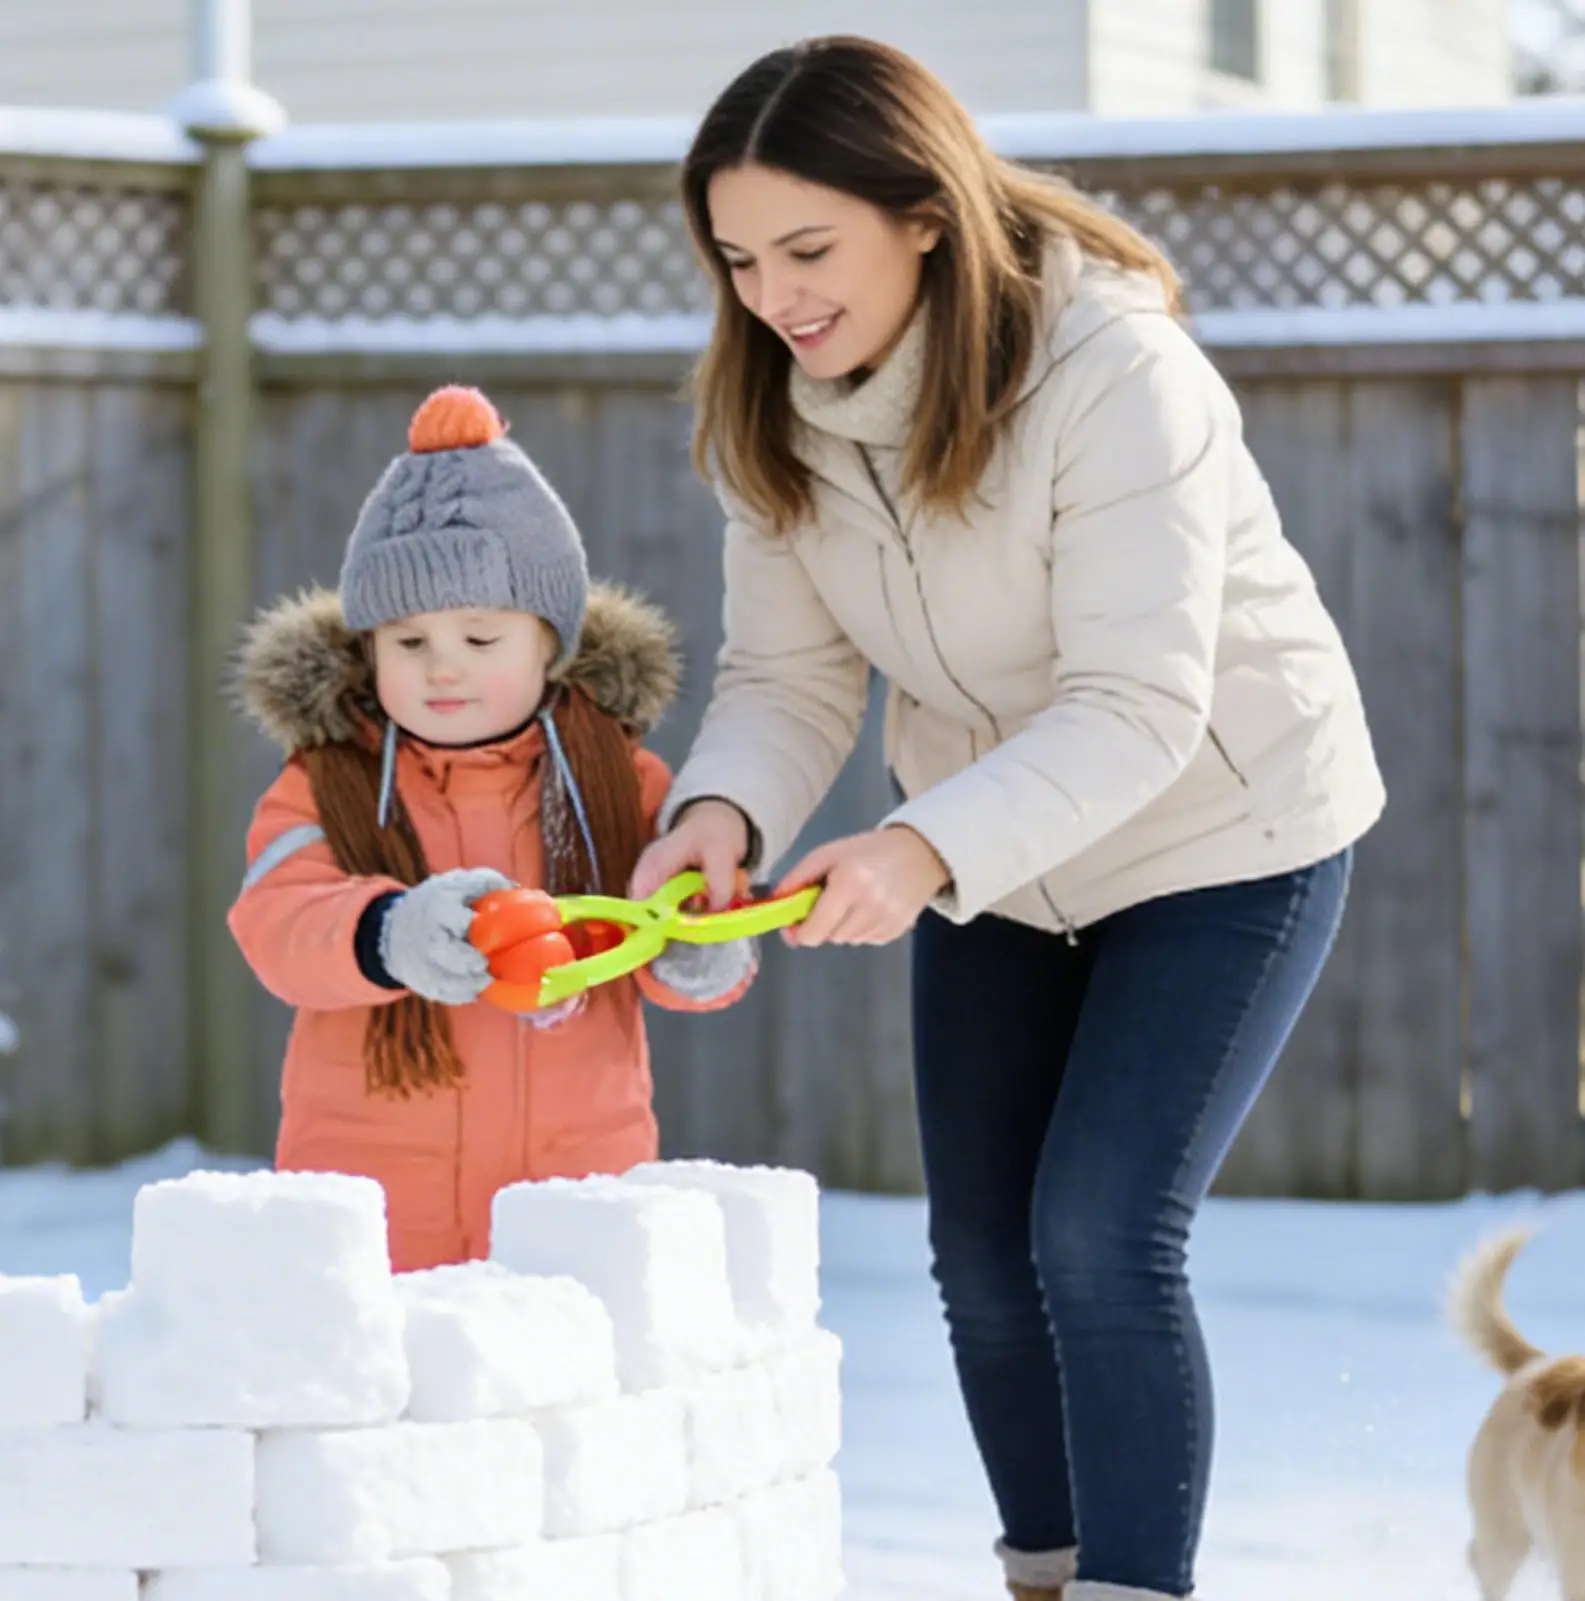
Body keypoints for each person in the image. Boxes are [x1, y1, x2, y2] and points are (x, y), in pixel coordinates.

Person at [630, 35, 1385, 1601]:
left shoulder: (1114, 374)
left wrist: (918, 850)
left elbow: (1136, 706)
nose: (773, 294)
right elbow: (787, 673)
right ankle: (1038, 1577)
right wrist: (720, 810)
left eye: (808, 249)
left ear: (923, 213)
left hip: (1219, 830)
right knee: (980, 1264)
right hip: (991, 845)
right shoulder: (776, 407)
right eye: (740, 258)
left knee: (1100, 1234)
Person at [229, 384, 755, 1273]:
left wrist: (698, 949)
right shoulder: (326, 781)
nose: (442, 671)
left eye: (479, 641)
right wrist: (388, 932)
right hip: (375, 1194)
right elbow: (277, 921)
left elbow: (672, 910)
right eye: (406, 643)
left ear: (549, 643)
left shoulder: (616, 779)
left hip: (575, 1190)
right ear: (368, 649)